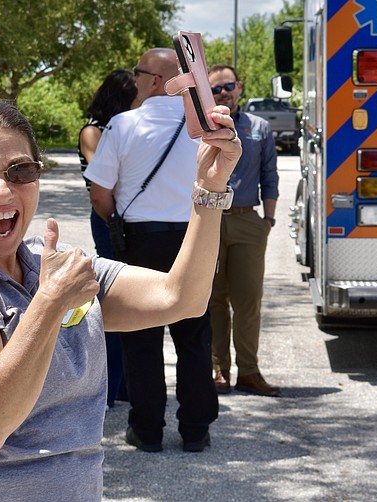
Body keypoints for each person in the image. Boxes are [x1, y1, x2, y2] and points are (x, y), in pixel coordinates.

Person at [0, 97, 240, 500]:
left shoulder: (51, 263)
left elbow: (181, 299)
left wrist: (209, 188)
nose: (3, 191)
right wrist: (50, 303)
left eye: (21, 170)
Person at [84, 48, 220, 454]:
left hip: (140, 239)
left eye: (139, 73)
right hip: (191, 237)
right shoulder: (201, 128)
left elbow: (100, 194)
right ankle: (196, 429)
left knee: (141, 337)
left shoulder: (123, 125)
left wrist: (117, 223)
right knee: (195, 335)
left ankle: (147, 430)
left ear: (156, 81)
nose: (135, 81)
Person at [207, 64, 281, 397]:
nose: (224, 93)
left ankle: (249, 371)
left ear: (239, 87)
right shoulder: (200, 128)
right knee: (213, 299)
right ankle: (218, 370)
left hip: (248, 221)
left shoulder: (259, 128)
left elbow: (270, 175)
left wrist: (268, 221)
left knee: (248, 300)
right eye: (216, 89)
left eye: (229, 86)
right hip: (210, 217)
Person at [78, 69, 137, 408]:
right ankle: (113, 384)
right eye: (135, 98)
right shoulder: (94, 131)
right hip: (107, 219)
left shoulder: (122, 130)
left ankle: (127, 382)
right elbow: (104, 177)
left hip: (125, 217)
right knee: (113, 294)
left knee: (129, 294)